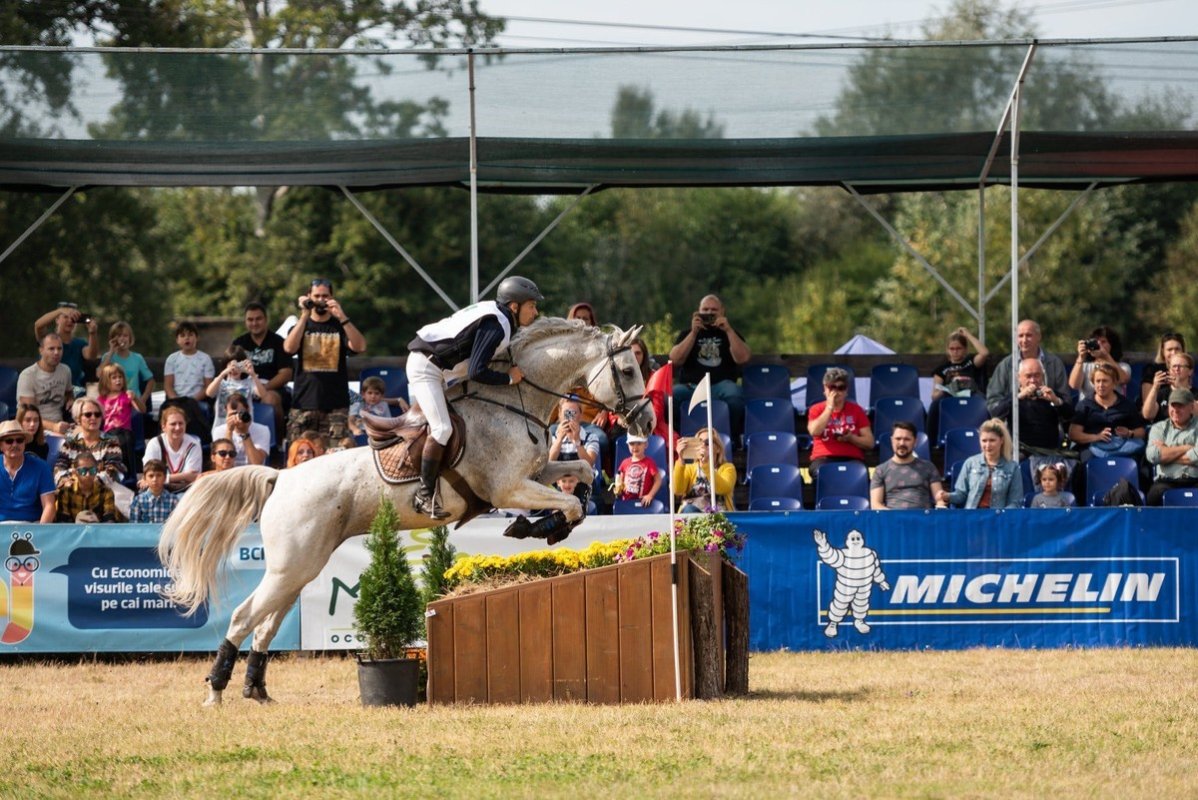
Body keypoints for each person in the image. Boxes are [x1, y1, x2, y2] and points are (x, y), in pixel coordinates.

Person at [405, 276, 540, 519]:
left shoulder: (500, 318)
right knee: (443, 429)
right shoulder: (497, 325)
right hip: (427, 368)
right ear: (514, 306)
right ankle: (423, 494)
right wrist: (508, 379)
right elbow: (477, 370)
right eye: (531, 306)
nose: (535, 312)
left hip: (441, 368)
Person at [283, 277, 367, 446]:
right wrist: (304, 316)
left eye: (325, 296)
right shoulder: (301, 325)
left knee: (334, 456)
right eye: (317, 296)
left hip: (335, 404)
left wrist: (342, 316)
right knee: (300, 454)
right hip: (304, 403)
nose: (321, 300)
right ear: (309, 297)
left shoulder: (340, 327)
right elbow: (289, 348)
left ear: (332, 297)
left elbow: (360, 346)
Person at [669, 294, 751, 433]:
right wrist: (694, 333)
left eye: (714, 310)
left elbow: (743, 358)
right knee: (671, 397)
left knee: (735, 395)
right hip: (692, 387)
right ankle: (682, 435)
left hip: (722, 386)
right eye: (705, 310)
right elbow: (675, 359)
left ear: (722, 312)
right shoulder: (687, 333)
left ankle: (729, 436)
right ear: (698, 311)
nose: (709, 313)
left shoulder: (730, 333)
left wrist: (728, 330)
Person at [989, 357, 1075, 487]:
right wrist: (1018, 398)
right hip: (1021, 452)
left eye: (1037, 375)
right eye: (1028, 376)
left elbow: (1070, 415)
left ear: (1043, 376)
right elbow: (996, 413)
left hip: (1048, 452)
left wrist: (1056, 401)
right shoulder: (1013, 398)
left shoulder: (1051, 395)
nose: (1033, 380)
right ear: (1019, 378)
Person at [986, 319, 1071, 416]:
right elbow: (993, 403)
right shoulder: (1006, 365)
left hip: (1048, 423)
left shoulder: (1054, 363)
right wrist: (1016, 399)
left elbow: (1066, 401)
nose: (1024, 340)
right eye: (1020, 336)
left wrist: (1054, 400)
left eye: (1029, 335)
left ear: (1039, 337)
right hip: (1014, 424)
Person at [233, 301, 294, 432]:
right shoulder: (238, 344)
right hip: (244, 388)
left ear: (266, 320)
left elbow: (286, 373)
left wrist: (264, 389)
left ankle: (276, 444)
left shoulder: (278, 342)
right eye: (250, 319)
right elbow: (230, 369)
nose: (254, 323)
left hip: (272, 387)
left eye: (258, 319)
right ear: (245, 321)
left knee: (270, 398)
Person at [937, 418, 1023, 509]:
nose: (987, 445)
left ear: (1001, 440)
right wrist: (946, 496)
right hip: (972, 517)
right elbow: (961, 495)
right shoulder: (970, 463)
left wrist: (1001, 517)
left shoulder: (1013, 467)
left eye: (992, 440)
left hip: (998, 519)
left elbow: (1015, 502)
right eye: (984, 441)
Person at [1068, 362, 1146, 462]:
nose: (1101, 385)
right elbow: (1074, 434)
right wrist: (1096, 437)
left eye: (1105, 381)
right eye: (1097, 381)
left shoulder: (1127, 404)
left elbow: (1141, 432)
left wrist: (1129, 433)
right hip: (1092, 448)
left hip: (1123, 449)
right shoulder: (1084, 405)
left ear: (1114, 383)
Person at [807, 366, 874, 472]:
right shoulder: (816, 409)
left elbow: (869, 442)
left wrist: (851, 438)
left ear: (846, 390)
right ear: (825, 388)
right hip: (824, 458)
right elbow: (815, 431)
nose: (836, 391)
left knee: (861, 473)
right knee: (822, 472)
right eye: (832, 387)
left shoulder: (856, 410)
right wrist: (829, 407)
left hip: (852, 458)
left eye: (841, 388)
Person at [870, 421, 946, 510]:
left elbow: (939, 499)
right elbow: (875, 504)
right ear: (891, 440)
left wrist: (941, 503)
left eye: (907, 439)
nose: (902, 443)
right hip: (893, 521)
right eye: (898, 439)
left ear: (915, 442)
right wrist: (894, 517)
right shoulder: (880, 470)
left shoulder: (928, 467)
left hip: (923, 521)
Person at [53, 398, 124, 488]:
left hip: (102, 492)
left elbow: (114, 470)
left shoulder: (111, 442)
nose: (93, 418)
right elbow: (59, 469)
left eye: (97, 414)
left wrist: (87, 484)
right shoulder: (70, 444)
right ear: (78, 419)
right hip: (73, 492)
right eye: (88, 415)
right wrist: (68, 483)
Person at [1144, 388, 1198, 506]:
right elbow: (1153, 456)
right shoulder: (1159, 428)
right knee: (1154, 495)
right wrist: (1187, 448)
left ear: (1191, 407)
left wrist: (1166, 452)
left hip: (1195, 480)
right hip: (1166, 481)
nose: (1176, 410)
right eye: (1173, 406)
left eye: (1181, 406)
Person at [32, 303, 99, 393]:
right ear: (57, 320)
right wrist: (60, 311)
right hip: (49, 391)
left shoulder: (79, 344)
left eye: (73, 318)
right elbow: (38, 325)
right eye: (65, 317)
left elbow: (91, 355)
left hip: (74, 392)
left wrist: (92, 333)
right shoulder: (48, 340)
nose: (69, 321)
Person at [163, 321, 216, 433]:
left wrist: (191, 401)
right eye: (182, 336)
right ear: (177, 340)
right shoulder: (172, 359)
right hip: (176, 399)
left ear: (197, 338)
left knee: (194, 410)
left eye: (190, 335)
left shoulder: (205, 359)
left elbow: (208, 386)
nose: (187, 338)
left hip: (196, 399)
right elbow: (168, 385)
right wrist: (177, 401)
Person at [0, 420, 56, 523]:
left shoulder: (41, 467)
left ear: (25, 443)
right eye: (9, 441)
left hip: (31, 526)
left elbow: (49, 506)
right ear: (1, 446)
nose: (15, 444)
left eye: (19, 440)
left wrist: (39, 533)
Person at [17, 333, 73, 434]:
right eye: (51, 349)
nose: (56, 353)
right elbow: (27, 415)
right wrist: (53, 426)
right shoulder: (28, 375)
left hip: (61, 424)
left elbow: (69, 392)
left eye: (59, 349)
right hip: (35, 428)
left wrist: (71, 399)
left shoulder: (65, 371)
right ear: (41, 350)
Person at [671, 426, 736, 512]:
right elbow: (677, 490)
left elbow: (724, 488)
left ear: (718, 449)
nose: (703, 446)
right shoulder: (690, 468)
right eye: (699, 442)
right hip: (692, 513)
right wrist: (680, 459)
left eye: (707, 442)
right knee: (689, 509)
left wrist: (706, 465)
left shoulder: (728, 468)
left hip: (718, 515)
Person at [141, 405, 202, 493]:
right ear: (163, 427)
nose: (177, 428)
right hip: (158, 490)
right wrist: (184, 476)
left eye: (181, 423)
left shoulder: (194, 444)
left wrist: (163, 478)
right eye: (173, 424)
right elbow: (149, 475)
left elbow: (193, 477)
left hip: (185, 491)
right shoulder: (154, 443)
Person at [99, 320, 155, 413]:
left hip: (133, 402)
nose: (122, 339)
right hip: (113, 404)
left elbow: (150, 380)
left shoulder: (137, 358)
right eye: (119, 336)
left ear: (130, 338)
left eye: (125, 335)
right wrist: (111, 351)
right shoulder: (107, 357)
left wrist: (143, 398)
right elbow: (99, 374)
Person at [206, 344, 265, 429]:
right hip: (222, 426)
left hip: (244, 426)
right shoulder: (221, 381)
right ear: (225, 365)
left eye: (238, 365)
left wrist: (253, 375)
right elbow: (209, 393)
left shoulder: (249, 381)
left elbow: (263, 395)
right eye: (231, 365)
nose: (234, 369)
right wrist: (223, 374)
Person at [1068, 324, 1131, 401]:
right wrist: (1081, 358)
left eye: (1103, 342)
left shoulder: (1123, 367)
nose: (1099, 344)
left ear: (1112, 345)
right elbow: (1074, 385)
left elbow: (1123, 380)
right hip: (1089, 410)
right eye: (1095, 341)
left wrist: (1106, 356)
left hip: (1114, 409)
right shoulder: (1085, 366)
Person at [55, 452, 123, 523]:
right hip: (73, 532)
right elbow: (63, 523)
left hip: (98, 531)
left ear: (96, 471)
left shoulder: (106, 492)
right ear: (75, 472)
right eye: (83, 471)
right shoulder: (65, 492)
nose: (88, 475)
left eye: (92, 470)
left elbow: (109, 522)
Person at [210, 393, 270, 466]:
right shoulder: (218, 431)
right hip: (230, 473)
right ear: (226, 412)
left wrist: (245, 433)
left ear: (248, 410)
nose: (237, 417)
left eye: (241, 413)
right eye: (233, 414)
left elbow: (256, 463)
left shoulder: (263, 430)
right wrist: (229, 431)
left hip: (252, 473)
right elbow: (223, 464)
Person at [931, 326, 989, 401]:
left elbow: (984, 353)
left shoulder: (971, 361)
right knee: (936, 405)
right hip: (951, 400)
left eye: (958, 348)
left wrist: (968, 335)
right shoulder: (941, 370)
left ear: (965, 349)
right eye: (952, 349)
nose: (955, 352)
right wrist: (947, 389)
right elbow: (934, 397)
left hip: (972, 398)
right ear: (947, 350)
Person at [1140, 332, 1187, 422]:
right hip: (1158, 418)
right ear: (1163, 351)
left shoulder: (1186, 369)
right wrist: (1155, 386)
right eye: (1169, 349)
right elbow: (1147, 410)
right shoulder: (1152, 370)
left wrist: (1179, 386)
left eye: (1177, 349)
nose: (1174, 352)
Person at [548, 395, 600, 470]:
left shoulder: (591, 437)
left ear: (581, 415)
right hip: (559, 480)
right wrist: (559, 440)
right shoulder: (551, 437)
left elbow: (589, 465)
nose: (569, 418)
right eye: (566, 413)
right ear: (559, 414)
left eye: (573, 413)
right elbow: (549, 462)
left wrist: (577, 441)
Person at [1142, 351, 1194, 425]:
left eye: (1180, 366)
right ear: (1169, 370)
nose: (1177, 369)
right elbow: (1148, 415)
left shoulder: (1194, 393)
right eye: (1174, 366)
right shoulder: (1162, 393)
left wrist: (1180, 388)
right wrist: (1155, 387)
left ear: (1190, 371)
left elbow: (1195, 411)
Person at [614, 433, 663, 507]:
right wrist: (618, 489)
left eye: (639, 443)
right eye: (632, 444)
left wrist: (650, 495)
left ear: (646, 445)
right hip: (626, 502)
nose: (635, 447)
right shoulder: (624, 462)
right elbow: (620, 477)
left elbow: (658, 480)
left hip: (644, 502)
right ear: (628, 445)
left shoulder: (650, 463)